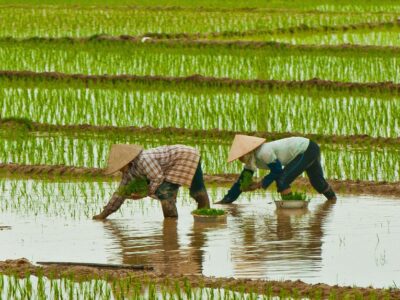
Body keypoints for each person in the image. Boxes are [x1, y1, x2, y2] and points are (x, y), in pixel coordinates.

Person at [93, 144, 210, 219]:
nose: (120, 171)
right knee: (170, 189)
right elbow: (120, 193)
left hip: (186, 156)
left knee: (165, 191)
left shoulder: (144, 159)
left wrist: (144, 193)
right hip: (174, 162)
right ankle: (201, 216)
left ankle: (172, 221)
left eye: (120, 167)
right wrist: (104, 214)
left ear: (127, 162)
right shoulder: (128, 172)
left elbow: (158, 178)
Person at [216, 135, 337, 204]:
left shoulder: (263, 152)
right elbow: (241, 182)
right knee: (317, 182)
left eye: (241, 156)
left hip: (307, 149)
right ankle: (333, 201)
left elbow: (277, 171)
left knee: (282, 181)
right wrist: (225, 201)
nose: (241, 159)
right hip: (309, 148)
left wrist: (260, 184)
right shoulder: (251, 161)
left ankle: (290, 209)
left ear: (248, 152)